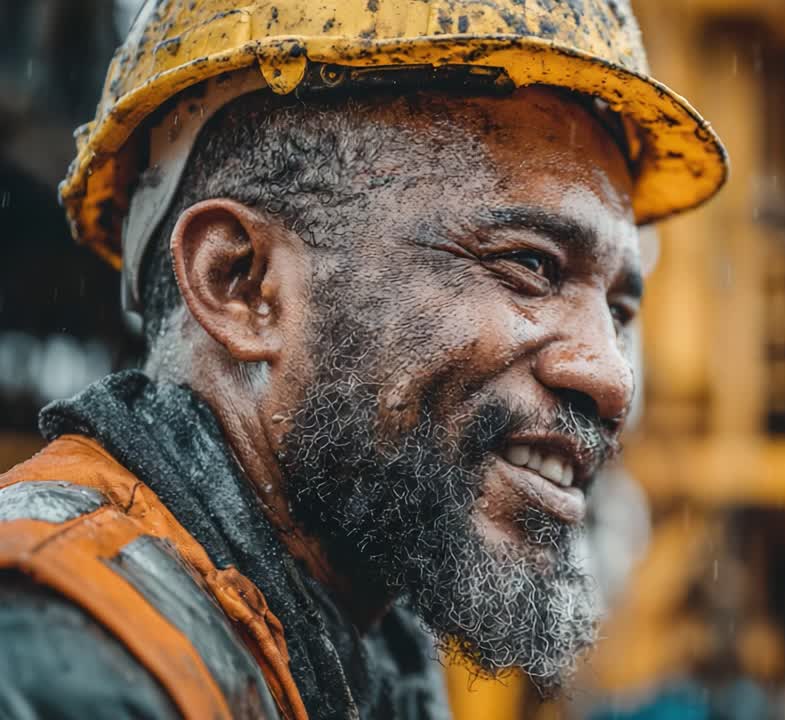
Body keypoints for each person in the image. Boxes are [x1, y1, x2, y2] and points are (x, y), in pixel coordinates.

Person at [0, 2, 727, 718]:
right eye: (531, 264)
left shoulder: (361, 650)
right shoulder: (47, 652)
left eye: (621, 310)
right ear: (242, 284)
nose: (612, 377)